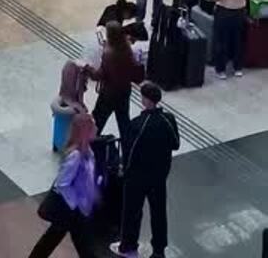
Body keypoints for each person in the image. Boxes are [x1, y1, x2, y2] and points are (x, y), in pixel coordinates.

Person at [110, 81, 179, 258]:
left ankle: (128, 246)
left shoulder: (138, 124)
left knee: (132, 211)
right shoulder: (168, 119)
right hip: (159, 175)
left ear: (146, 100)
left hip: (137, 177)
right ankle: (158, 250)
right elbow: (175, 144)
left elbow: (130, 153)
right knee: (158, 212)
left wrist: (125, 170)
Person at [27, 112, 99, 258]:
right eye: (93, 126)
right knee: (80, 243)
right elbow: (62, 183)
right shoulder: (76, 156)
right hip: (71, 208)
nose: (96, 128)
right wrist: (76, 203)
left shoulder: (88, 152)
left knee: (56, 237)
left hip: (74, 209)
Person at [86, 21, 144, 142]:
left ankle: (90, 146)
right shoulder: (127, 49)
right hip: (124, 91)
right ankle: (128, 149)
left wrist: (88, 68)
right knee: (123, 122)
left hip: (108, 94)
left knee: (98, 120)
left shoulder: (109, 53)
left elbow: (99, 75)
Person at [213, 0, 253, 79]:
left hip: (224, 13)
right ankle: (238, 68)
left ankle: (221, 70)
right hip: (240, 13)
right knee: (238, 41)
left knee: (221, 41)